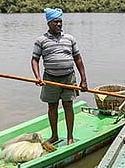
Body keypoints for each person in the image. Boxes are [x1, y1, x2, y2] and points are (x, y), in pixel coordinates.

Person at [31, 8, 87, 145]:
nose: (59, 24)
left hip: (68, 77)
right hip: (50, 78)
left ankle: (70, 136)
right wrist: (38, 77)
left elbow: (78, 59)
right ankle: (54, 135)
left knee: (68, 105)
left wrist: (83, 79)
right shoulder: (41, 40)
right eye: (55, 22)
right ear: (49, 23)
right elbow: (34, 60)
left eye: (60, 22)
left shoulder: (69, 38)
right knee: (52, 106)